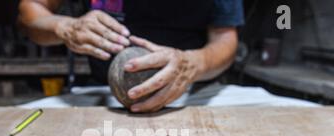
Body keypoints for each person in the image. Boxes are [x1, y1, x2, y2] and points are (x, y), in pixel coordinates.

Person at [18, 0, 244, 113]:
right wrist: (64, 26)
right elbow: (30, 11)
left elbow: (225, 38)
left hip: (191, 89)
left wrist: (193, 64)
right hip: (102, 94)